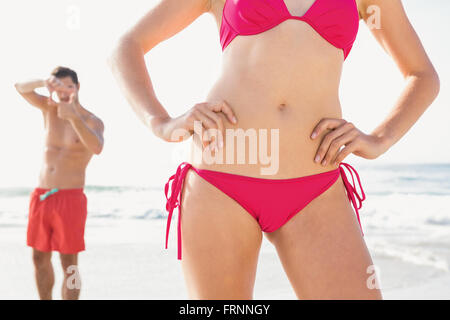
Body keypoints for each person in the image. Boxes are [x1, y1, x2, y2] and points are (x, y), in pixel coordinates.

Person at [109, 0, 439, 299]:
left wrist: (380, 139)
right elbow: (127, 46)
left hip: (316, 187)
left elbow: (422, 75)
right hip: (221, 181)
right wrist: (162, 123)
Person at [14, 66, 105, 300]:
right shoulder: (48, 108)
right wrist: (43, 82)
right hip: (42, 196)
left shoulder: (92, 121)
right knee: (38, 257)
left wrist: (73, 116)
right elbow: (19, 88)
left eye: (68, 86)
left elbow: (96, 147)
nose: (64, 92)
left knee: (70, 263)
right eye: (59, 87)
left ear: (77, 87)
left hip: (70, 199)